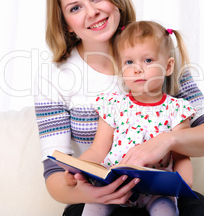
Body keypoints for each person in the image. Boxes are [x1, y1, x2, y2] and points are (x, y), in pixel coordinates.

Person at [34, 0, 204, 216]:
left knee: (197, 210)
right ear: (66, 24)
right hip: (101, 194)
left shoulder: (158, 55)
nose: (92, 12)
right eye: (75, 8)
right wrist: (88, 191)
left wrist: (167, 140)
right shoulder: (54, 76)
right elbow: (55, 173)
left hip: (160, 194)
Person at [80, 21, 196, 216]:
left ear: (168, 66)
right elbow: (98, 149)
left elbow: (181, 155)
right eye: (129, 62)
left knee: (166, 210)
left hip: (157, 191)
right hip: (114, 185)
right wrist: (78, 170)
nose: (137, 69)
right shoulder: (113, 105)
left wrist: (185, 185)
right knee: (92, 208)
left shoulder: (176, 109)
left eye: (148, 60)